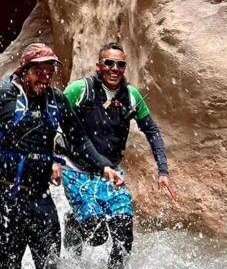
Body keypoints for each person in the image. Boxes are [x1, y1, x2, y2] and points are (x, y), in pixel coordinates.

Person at [0, 43, 124, 269]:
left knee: (50, 264)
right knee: (5, 265)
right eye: (39, 71)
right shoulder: (3, 97)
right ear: (24, 70)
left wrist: (103, 166)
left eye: (50, 72)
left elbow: (79, 140)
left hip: (40, 198)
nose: (45, 78)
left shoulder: (56, 100)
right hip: (5, 198)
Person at [58, 42, 176, 268]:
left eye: (120, 64)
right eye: (109, 63)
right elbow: (53, 117)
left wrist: (163, 170)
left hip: (112, 173)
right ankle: (73, 223)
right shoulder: (80, 90)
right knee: (97, 235)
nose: (114, 69)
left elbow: (151, 131)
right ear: (99, 66)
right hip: (77, 171)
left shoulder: (131, 95)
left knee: (124, 232)